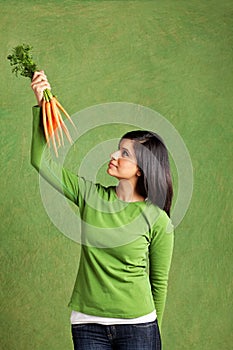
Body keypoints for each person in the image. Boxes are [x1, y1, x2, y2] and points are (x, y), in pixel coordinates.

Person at [31, 71, 174, 350]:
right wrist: (42, 105)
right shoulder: (90, 195)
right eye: (116, 150)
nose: (113, 155)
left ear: (141, 169)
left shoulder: (157, 219)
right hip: (87, 325)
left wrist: (153, 335)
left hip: (138, 326)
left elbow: (159, 283)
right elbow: (40, 160)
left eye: (124, 154)